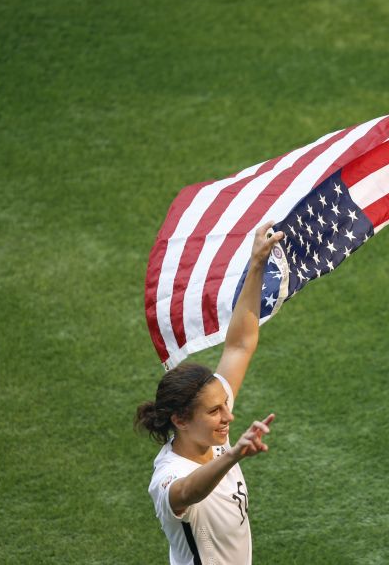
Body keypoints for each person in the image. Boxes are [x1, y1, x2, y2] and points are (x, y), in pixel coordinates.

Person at [135, 221, 284, 565]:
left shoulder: (210, 427)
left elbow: (240, 344)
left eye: (224, 407)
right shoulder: (168, 477)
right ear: (180, 420)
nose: (228, 416)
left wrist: (257, 264)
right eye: (215, 411)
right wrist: (233, 456)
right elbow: (188, 491)